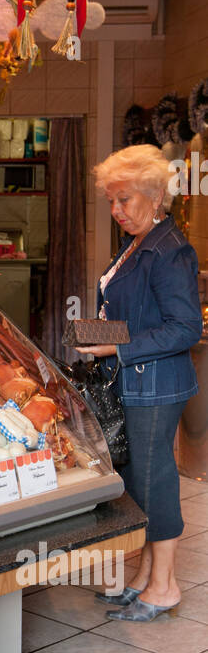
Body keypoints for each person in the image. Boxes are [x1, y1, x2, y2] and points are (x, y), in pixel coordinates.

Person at [78, 144, 202, 622]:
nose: (115, 211)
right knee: (136, 480)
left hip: (157, 385)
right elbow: (137, 315)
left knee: (154, 481)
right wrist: (98, 334)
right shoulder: (139, 242)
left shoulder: (171, 251)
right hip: (135, 380)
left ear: (153, 197)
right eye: (111, 201)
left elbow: (184, 328)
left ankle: (165, 585)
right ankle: (144, 574)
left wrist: (116, 346)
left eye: (123, 200)